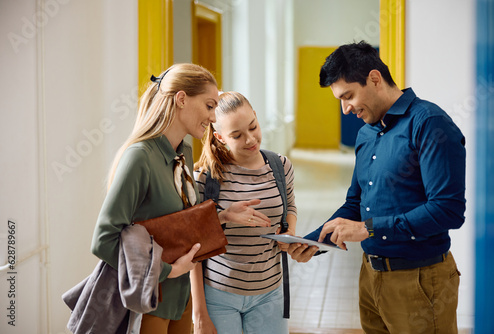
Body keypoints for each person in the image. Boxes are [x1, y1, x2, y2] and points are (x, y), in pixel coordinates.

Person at [287, 41, 466, 333]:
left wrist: (368, 228)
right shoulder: (367, 133)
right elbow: (356, 204)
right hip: (370, 277)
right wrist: (313, 241)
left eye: (348, 96)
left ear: (374, 78)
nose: (345, 110)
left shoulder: (430, 124)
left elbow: (448, 210)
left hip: (419, 279)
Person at [90, 64, 268, 334]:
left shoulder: (182, 151)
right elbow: (104, 240)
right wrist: (166, 272)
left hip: (181, 297)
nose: (212, 117)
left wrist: (223, 216)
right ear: (182, 99)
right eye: (209, 106)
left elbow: (179, 223)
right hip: (151, 300)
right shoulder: (140, 157)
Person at [191, 91, 297, 334]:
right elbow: (194, 243)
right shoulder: (207, 178)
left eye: (253, 127)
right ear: (219, 137)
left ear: (257, 117)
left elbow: (290, 205)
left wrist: (289, 231)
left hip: (270, 293)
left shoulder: (280, 166)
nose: (250, 139)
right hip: (219, 295)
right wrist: (199, 314)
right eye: (237, 135)